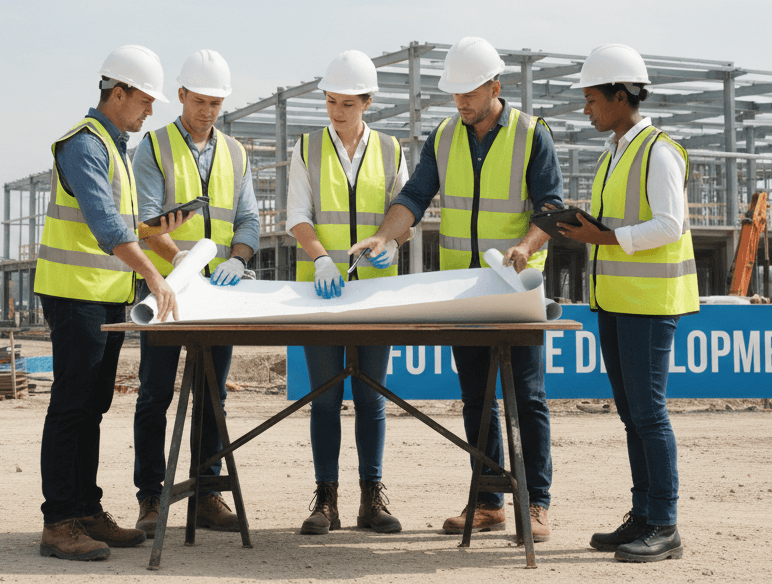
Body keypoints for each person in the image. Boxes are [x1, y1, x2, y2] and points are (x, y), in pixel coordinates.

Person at [350, 36, 562, 544]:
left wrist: (525, 246)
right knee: (475, 398)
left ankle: (536, 504)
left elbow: (550, 208)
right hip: (465, 290)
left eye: (469, 92)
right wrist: (386, 233)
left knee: (526, 399)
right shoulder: (446, 136)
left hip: (514, 288)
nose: (461, 102)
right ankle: (488, 501)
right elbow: (415, 196)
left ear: (495, 85)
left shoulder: (533, 135)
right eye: (455, 94)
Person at [34, 45, 184, 561]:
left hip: (102, 298)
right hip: (76, 297)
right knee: (73, 405)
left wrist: (160, 235)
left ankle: (85, 509)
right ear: (116, 93)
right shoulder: (83, 144)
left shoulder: (114, 145)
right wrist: (154, 276)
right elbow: (104, 225)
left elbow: (123, 221)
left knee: (92, 406)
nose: (149, 112)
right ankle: (59, 521)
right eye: (144, 101)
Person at [553, 43, 698, 563]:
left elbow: (669, 224)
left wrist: (605, 239)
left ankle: (664, 523)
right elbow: (616, 222)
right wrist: (582, 225)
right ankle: (643, 515)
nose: (586, 108)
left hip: (650, 302)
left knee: (649, 414)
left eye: (592, 98)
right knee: (632, 415)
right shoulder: (614, 151)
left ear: (620, 95)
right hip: (615, 300)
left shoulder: (659, 150)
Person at [130, 49, 260, 533]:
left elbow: (247, 220)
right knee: (155, 394)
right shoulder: (154, 147)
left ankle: (207, 494)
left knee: (211, 395)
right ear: (181, 95)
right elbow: (144, 220)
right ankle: (150, 496)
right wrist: (179, 258)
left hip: (218, 293)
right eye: (200, 100)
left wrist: (237, 259)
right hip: (168, 288)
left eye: (216, 103)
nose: (207, 111)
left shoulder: (235, 152)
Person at [287, 50, 410, 535]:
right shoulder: (307, 148)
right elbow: (298, 213)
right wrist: (319, 256)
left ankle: (370, 499)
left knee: (371, 397)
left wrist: (393, 244)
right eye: (331, 101)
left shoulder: (391, 149)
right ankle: (326, 500)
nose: (337, 112)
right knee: (324, 396)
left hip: (375, 295)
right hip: (322, 294)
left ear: (368, 102)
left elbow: (405, 212)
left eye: (348, 104)